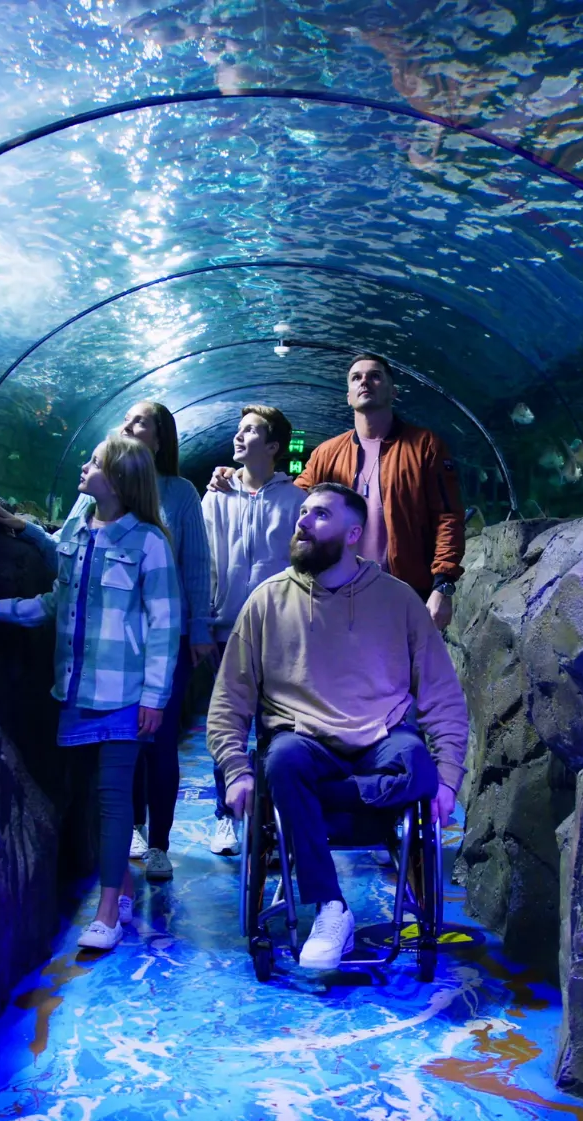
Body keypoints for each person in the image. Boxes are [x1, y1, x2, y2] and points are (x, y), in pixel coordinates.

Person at [206, 482, 469, 970]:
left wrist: (449, 776)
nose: (303, 521)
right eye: (303, 512)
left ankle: (316, 798)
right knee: (280, 762)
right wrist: (236, 768)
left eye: (319, 515)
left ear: (353, 534)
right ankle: (331, 907)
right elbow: (229, 699)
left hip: (381, 741)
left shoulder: (399, 601)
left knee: (420, 767)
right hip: (302, 740)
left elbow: (442, 695)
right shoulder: (266, 601)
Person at [0, 401, 212, 883]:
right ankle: (125, 839)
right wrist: (26, 529)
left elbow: (193, 564)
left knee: (158, 743)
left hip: (159, 639)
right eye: (127, 421)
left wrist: (199, 630)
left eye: (142, 424)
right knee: (117, 757)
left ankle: (158, 843)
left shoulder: (177, 496)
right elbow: (68, 556)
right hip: (104, 655)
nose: (131, 428)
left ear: (161, 438)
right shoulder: (94, 496)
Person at [0, 433, 180, 951]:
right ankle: (124, 888)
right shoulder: (77, 526)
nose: (84, 469)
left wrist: (155, 697)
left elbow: (164, 624)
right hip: (76, 688)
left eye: (94, 463)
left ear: (119, 479)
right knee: (95, 796)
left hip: (125, 692)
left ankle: (108, 910)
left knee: (113, 800)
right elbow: (55, 601)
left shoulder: (149, 542)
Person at [212, 354, 465, 629]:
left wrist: (443, 584)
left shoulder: (425, 447)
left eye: (375, 375)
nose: (365, 381)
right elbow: (287, 496)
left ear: (393, 392)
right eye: (356, 377)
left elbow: (447, 517)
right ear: (348, 396)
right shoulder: (328, 453)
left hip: (405, 592)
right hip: (340, 595)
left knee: (403, 671)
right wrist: (240, 476)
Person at [197, 404, 307, 856]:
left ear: (274, 446)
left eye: (250, 431)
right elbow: (201, 564)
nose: (239, 437)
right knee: (228, 724)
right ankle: (228, 815)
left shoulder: (295, 499)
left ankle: (268, 820)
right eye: (238, 431)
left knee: (275, 727)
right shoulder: (216, 495)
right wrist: (201, 623)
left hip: (281, 631)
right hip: (226, 627)